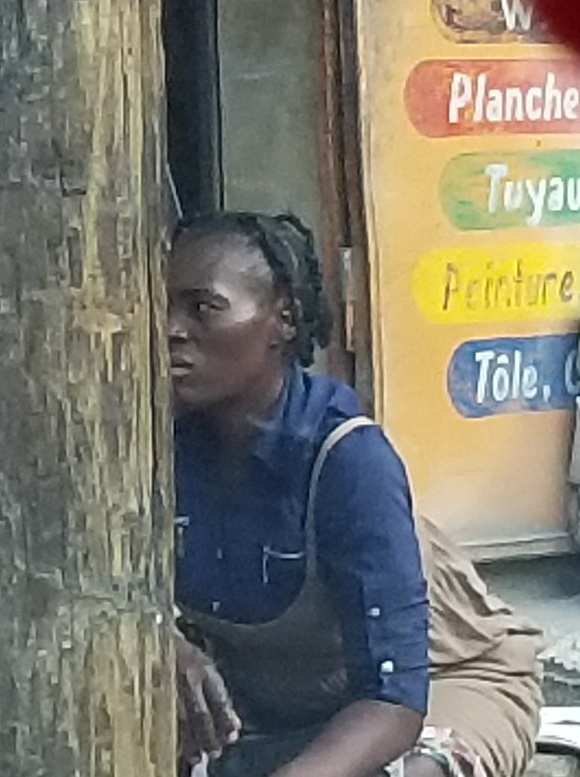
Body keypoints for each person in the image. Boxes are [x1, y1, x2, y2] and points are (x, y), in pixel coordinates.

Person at [171, 213, 543, 777]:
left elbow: (395, 700)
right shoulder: (158, 449)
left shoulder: (346, 458)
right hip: (286, 710)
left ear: (283, 320)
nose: (172, 329)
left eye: (203, 309)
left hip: (440, 684)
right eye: (163, 306)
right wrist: (161, 642)